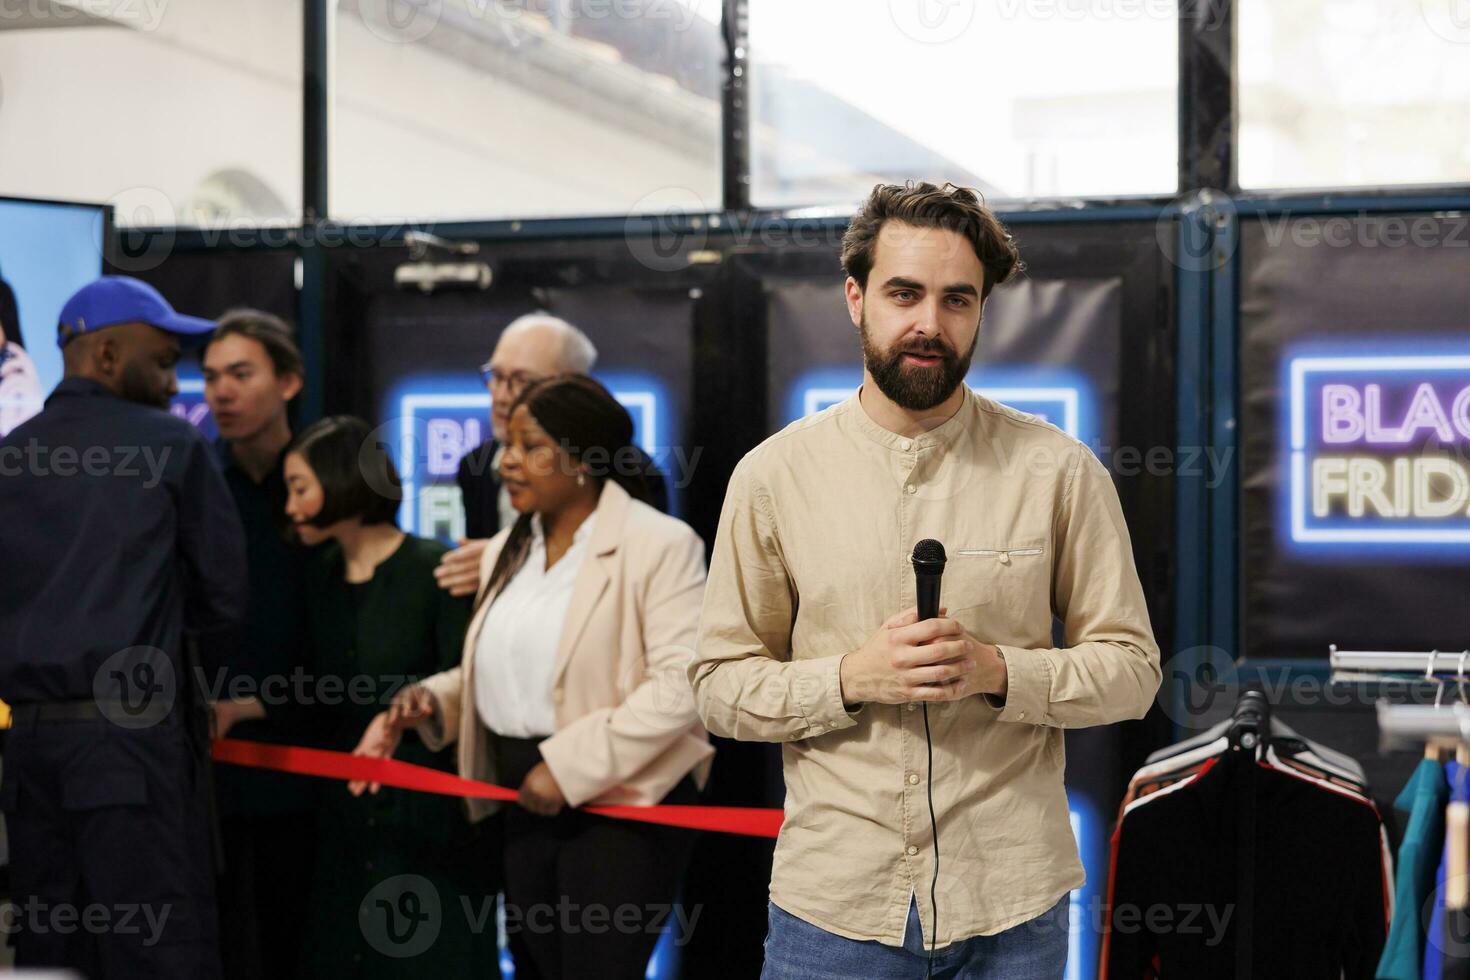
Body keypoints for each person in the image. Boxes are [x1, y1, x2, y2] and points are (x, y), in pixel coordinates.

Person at [690, 182, 1163, 979]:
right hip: (833, 914)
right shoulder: (773, 477)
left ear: (982, 311)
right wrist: (851, 679)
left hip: (1014, 909)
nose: (929, 325)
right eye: (903, 293)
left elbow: (1132, 672)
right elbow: (718, 687)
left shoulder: (1057, 471)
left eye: (957, 300)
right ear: (855, 297)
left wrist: (999, 671)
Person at [355, 374, 712, 980]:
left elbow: (681, 687)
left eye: (529, 446)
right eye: (508, 446)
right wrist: (430, 700)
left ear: (582, 458)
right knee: (535, 969)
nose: (506, 463)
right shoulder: (505, 550)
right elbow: (503, 670)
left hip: (623, 802)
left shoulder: (660, 544)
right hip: (522, 793)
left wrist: (568, 769)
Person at [0, 275, 247, 978]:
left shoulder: (9, 458)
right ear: (106, 356)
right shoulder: (172, 446)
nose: (175, 384)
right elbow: (224, 602)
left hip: (26, 754)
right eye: (164, 361)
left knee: (49, 956)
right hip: (132, 747)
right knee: (159, 954)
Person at [273, 415, 500, 976]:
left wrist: (408, 713)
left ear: (343, 482)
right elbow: (306, 688)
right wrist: (236, 709)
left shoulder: (434, 569)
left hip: (427, 814)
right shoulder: (317, 577)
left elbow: (465, 684)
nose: (289, 506)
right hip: (344, 812)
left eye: (300, 488)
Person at [199, 309, 315, 980]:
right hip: (206, 774)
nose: (222, 392)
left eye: (241, 374)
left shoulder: (330, 481)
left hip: (309, 767)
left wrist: (264, 704)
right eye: (211, 377)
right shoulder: (195, 482)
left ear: (289, 382)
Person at [435, 312, 669, 598]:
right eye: (496, 377)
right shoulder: (475, 466)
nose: (502, 395)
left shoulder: (635, 479)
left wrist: (509, 561)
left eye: (521, 380)